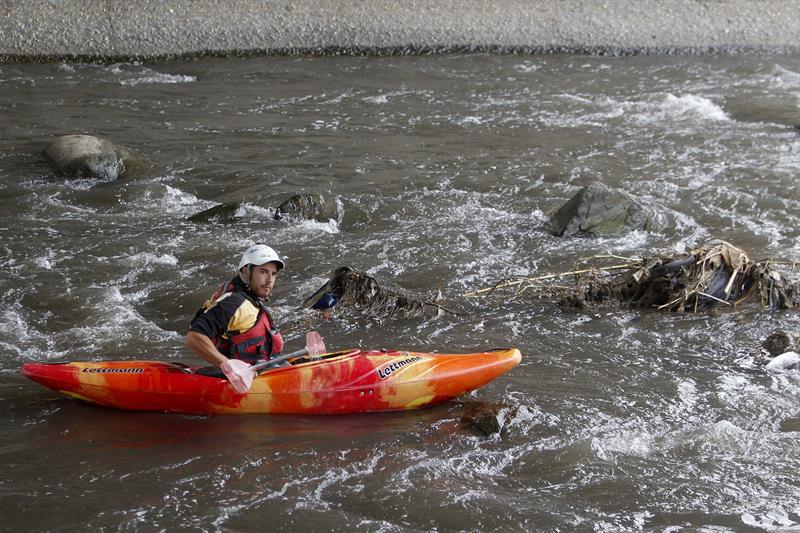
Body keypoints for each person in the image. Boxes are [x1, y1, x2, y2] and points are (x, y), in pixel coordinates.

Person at [186, 244, 286, 389]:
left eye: (274, 273)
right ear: (246, 271)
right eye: (263, 272)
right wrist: (228, 366)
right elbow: (194, 338)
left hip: (260, 367)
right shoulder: (234, 303)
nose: (270, 279)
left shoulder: (249, 298)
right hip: (242, 378)